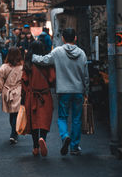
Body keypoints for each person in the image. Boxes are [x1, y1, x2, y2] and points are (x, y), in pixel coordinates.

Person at [32, 28, 89, 156]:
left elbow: (44, 60)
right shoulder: (82, 53)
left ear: (63, 38)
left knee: (62, 117)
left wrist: (32, 56)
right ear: (75, 38)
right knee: (76, 118)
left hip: (63, 90)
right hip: (78, 90)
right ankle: (74, 146)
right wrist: (86, 90)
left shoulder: (57, 52)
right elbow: (86, 76)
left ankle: (65, 136)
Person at [21, 41, 55, 157]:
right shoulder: (47, 63)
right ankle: (43, 138)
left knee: (33, 121)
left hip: (32, 96)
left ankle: (35, 147)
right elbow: (52, 79)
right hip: (45, 95)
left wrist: (24, 96)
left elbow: (24, 80)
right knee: (44, 119)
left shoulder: (27, 63)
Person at [0, 47, 23, 144]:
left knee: (12, 113)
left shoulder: (3, 67)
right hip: (18, 92)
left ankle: (13, 132)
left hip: (7, 92)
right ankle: (14, 133)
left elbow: (0, 82)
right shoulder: (22, 68)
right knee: (15, 113)